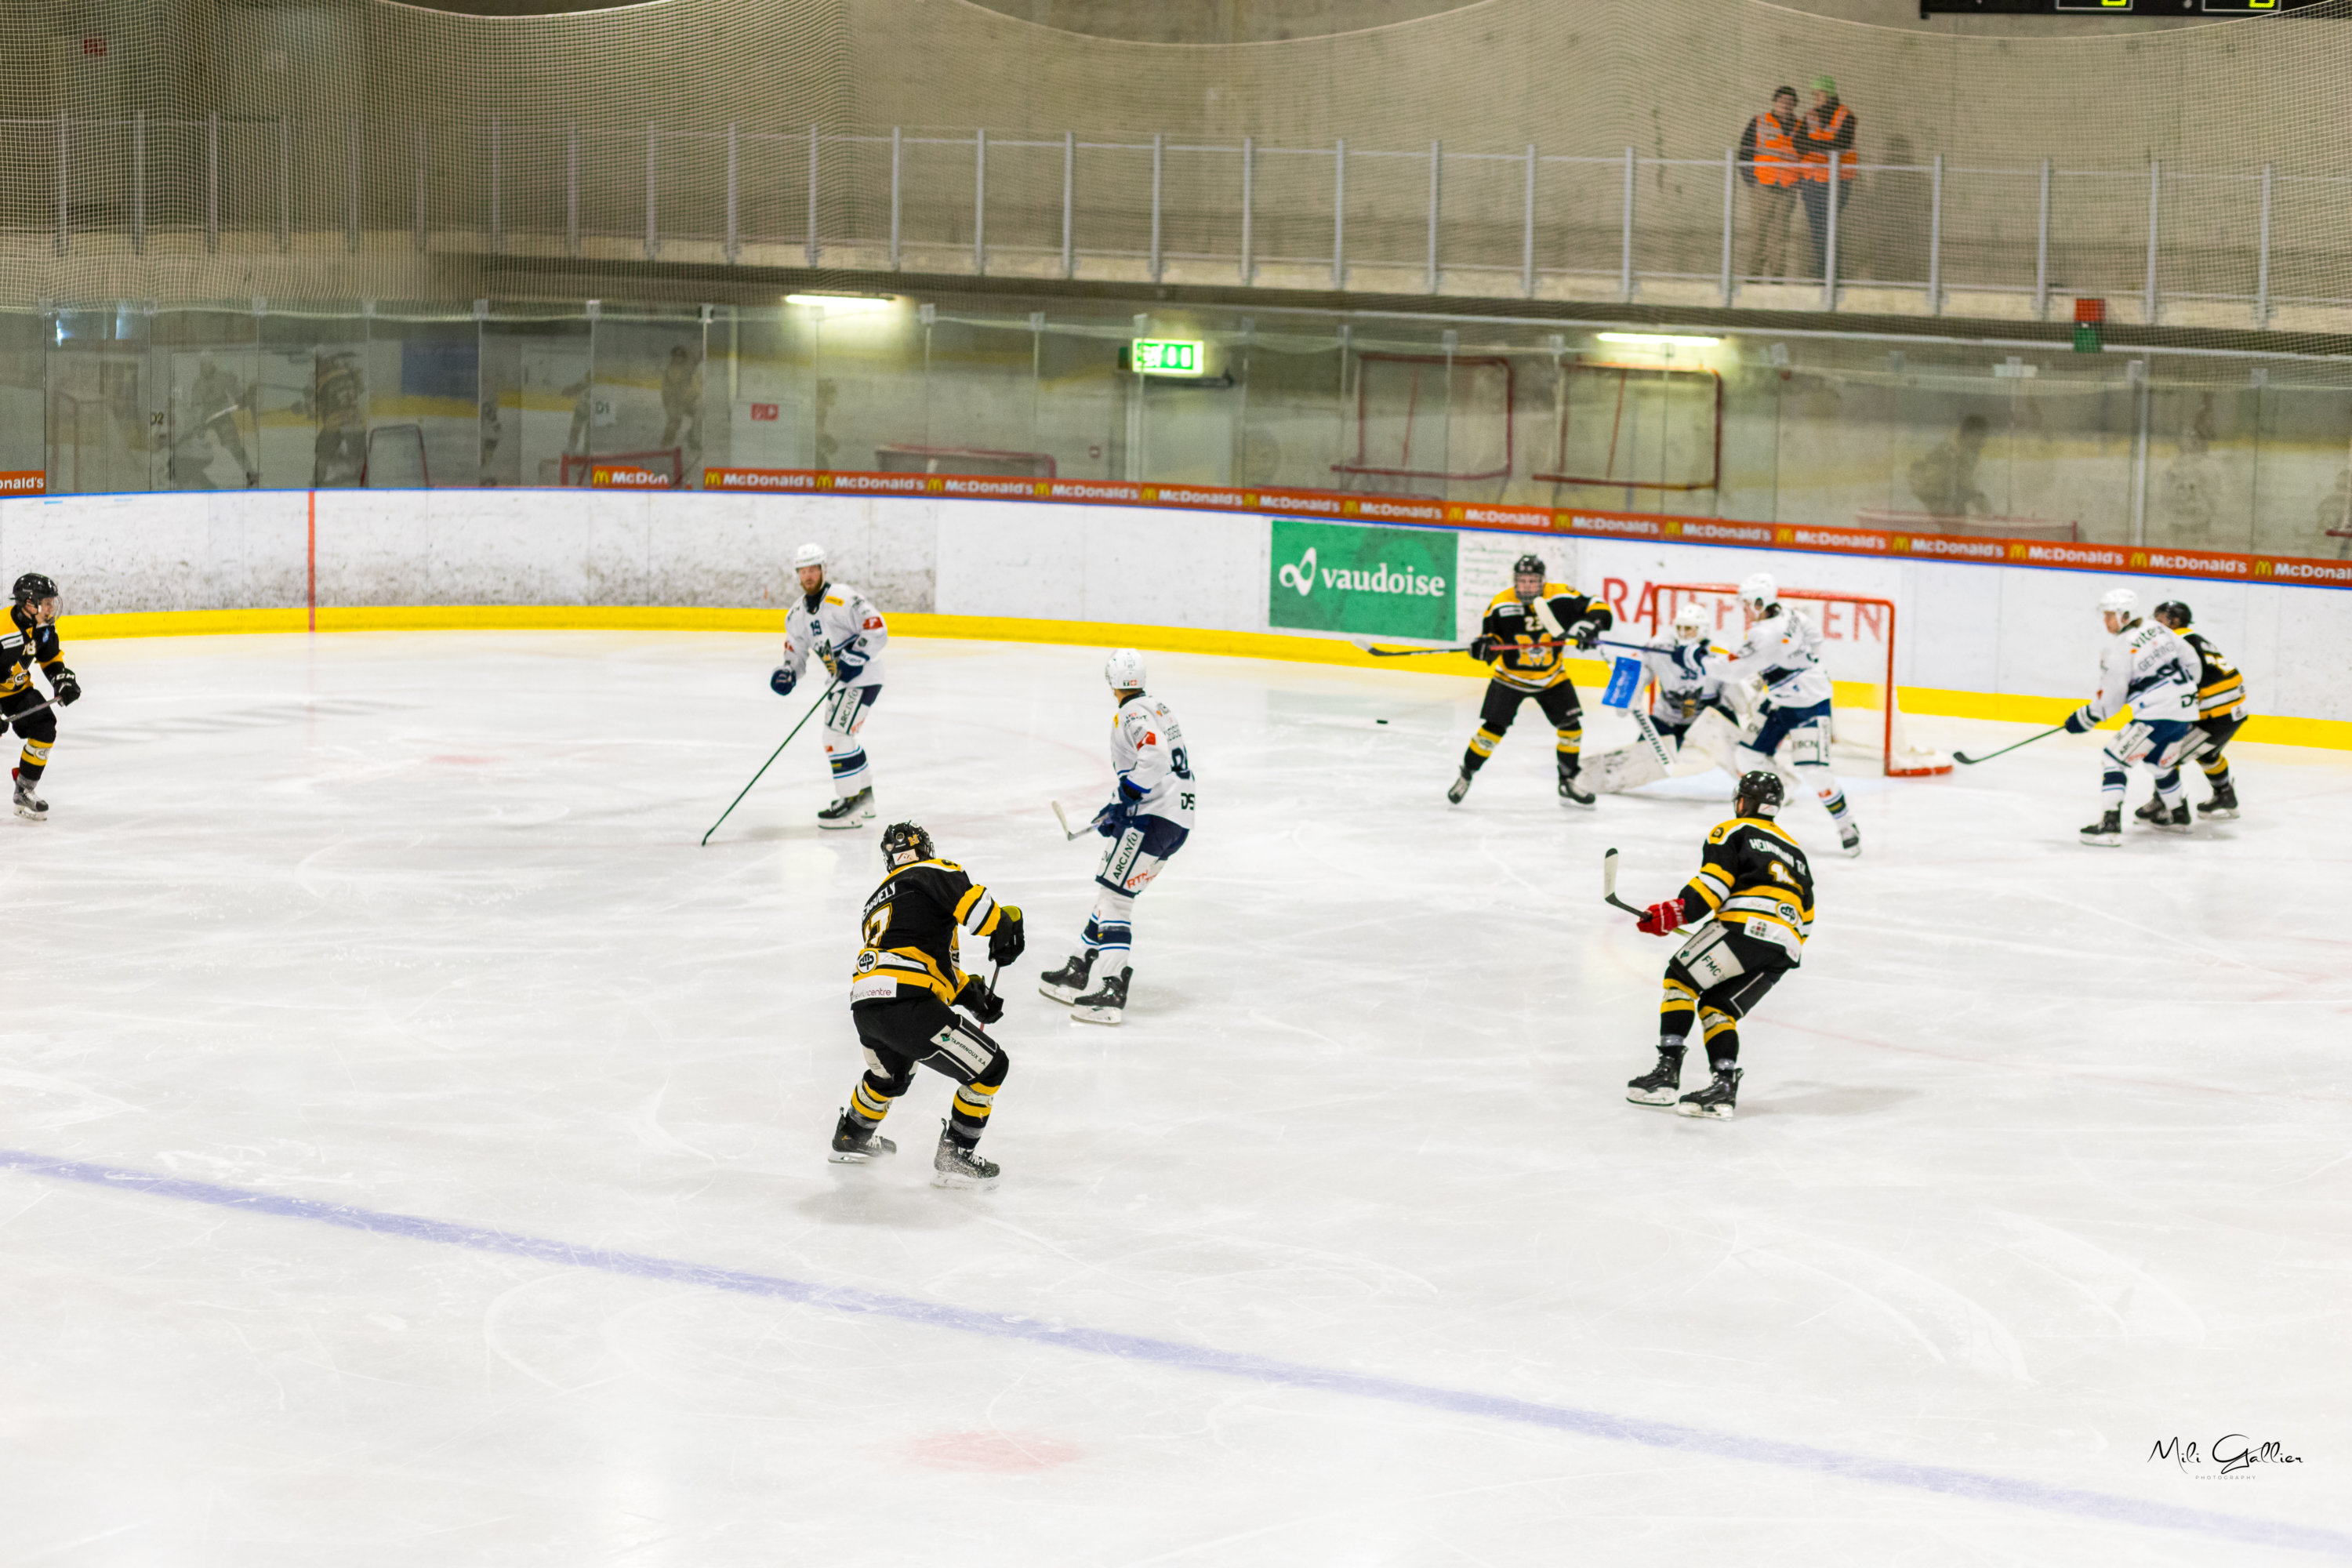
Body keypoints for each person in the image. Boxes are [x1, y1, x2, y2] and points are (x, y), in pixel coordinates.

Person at [834, 821, 1023, 1188]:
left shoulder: (876, 901)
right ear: (924, 849)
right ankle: (956, 1157)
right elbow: (981, 914)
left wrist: (969, 994)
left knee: (889, 1075)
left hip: (866, 1004)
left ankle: (851, 1136)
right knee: (991, 1068)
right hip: (906, 1003)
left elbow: (923, 960)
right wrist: (1005, 925)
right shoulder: (934, 870)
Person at [1623, 769, 1814, 1121]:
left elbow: (1713, 885)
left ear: (1744, 802)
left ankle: (1666, 1074)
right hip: (1785, 948)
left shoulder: (1733, 830)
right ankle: (1723, 1087)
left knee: (1680, 980)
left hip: (1744, 926)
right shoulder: (1796, 853)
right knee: (1718, 1007)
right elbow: (1808, 916)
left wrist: (1676, 913)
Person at [1039, 648, 1195, 1025]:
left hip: (1152, 819)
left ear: (1111, 680)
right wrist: (1117, 805)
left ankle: (1112, 988)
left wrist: (1125, 799)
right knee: (1111, 892)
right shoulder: (1158, 707)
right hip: (1176, 819)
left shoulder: (1131, 713)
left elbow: (1153, 759)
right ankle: (1080, 966)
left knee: (1116, 900)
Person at [1446, 554, 1612, 808]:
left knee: (1571, 728)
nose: (1526, 586)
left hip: (1551, 677)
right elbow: (1491, 639)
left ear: (1543, 580)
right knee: (1491, 731)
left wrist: (1590, 625)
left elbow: (1598, 606)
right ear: (1515, 580)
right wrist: (1485, 648)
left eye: (1532, 581)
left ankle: (1567, 781)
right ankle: (1466, 774)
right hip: (1510, 678)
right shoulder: (1501, 604)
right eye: (1522, 580)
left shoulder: (1560, 595)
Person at [1717, 574, 1861, 857]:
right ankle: (1778, 795)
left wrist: (1702, 662)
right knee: (1747, 756)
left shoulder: (1764, 633)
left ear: (1761, 602)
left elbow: (1732, 670)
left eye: (1747, 603)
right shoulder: (1792, 614)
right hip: (1779, 702)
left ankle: (1846, 824)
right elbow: (1815, 640)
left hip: (1810, 704)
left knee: (1816, 771)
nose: (1743, 608)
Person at [2067, 587, 2200, 847]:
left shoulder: (2120, 646)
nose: (2106, 621)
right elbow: (2192, 662)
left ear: (2124, 615)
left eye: (2110, 615)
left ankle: (2109, 826)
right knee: (2159, 763)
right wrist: (2179, 694)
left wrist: (2086, 718)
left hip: (2156, 714)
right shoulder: (2159, 629)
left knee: (2113, 759)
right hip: (2185, 711)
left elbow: (2112, 698)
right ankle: (2178, 815)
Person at [771, 542, 890, 829]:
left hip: (864, 677)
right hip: (839, 683)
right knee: (841, 737)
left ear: (823, 569)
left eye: (813, 569)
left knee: (836, 737)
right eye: (803, 571)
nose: (808, 576)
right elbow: (795, 654)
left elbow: (876, 627)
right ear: (797, 574)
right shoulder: (796, 615)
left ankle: (850, 805)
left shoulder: (843, 598)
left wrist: (857, 654)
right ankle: (864, 798)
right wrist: (787, 672)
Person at [1582, 603, 1746, 793]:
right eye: (1680, 628)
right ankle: (1597, 779)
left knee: (1740, 756)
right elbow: (1639, 667)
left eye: (1689, 628)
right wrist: (1627, 694)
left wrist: (1737, 704)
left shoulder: (1718, 652)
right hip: (1668, 717)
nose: (1683, 633)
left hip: (1706, 719)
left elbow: (1733, 680)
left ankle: (1752, 783)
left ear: (1703, 630)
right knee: (1640, 762)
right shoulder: (1660, 646)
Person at [2145, 601, 2245, 820]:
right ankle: (2225, 795)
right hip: (2233, 712)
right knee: (2208, 753)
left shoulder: (2173, 642)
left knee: (2165, 756)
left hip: (2215, 715)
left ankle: (2166, 805)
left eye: (2160, 620)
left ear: (2174, 621)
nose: (2154, 625)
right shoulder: (2194, 638)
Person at [2, 573, 81, 822]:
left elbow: (49, 657)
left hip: (17, 691)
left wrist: (61, 680)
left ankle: (24, 790)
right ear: (29, 603)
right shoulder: (3, 630)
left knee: (45, 726)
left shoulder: (43, 626)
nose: (50, 608)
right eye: (46, 603)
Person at [1736, 86, 1804, 284]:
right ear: (1775, 102)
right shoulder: (1759, 122)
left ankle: (1777, 279)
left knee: (1780, 235)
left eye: (1790, 102)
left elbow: (1805, 157)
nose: (1786, 105)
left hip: (1787, 188)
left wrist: (1799, 182)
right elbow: (1744, 152)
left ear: (1795, 105)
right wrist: (1752, 180)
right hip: (1763, 187)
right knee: (1759, 232)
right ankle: (1754, 276)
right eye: (1782, 101)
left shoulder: (1801, 127)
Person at [1797, 74, 1858, 285]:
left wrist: (1813, 145)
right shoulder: (1810, 116)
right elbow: (1798, 143)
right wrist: (1821, 146)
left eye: (1819, 93)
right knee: (1818, 227)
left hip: (1836, 181)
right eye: (1813, 94)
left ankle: (1830, 273)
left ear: (1830, 94)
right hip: (1812, 181)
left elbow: (1841, 144)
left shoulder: (1845, 116)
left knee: (1827, 226)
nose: (1815, 97)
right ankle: (1824, 272)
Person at [1907, 414, 1993, 521]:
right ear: (1968, 434)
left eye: (1985, 436)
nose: (1983, 441)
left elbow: (1964, 482)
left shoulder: (1970, 450)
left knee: (1959, 516)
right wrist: (1978, 499)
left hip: (1944, 492)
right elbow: (1964, 481)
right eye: (1980, 436)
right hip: (1935, 493)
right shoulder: (1956, 452)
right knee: (1956, 517)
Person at [659, 346, 704, 454]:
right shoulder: (669, 371)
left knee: (700, 414)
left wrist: (692, 396)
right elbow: (666, 390)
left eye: (681, 356)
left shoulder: (687, 369)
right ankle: (666, 443)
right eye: (676, 356)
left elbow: (694, 384)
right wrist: (668, 403)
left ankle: (693, 436)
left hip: (686, 400)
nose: (678, 358)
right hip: (674, 401)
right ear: (673, 357)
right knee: (674, 422)